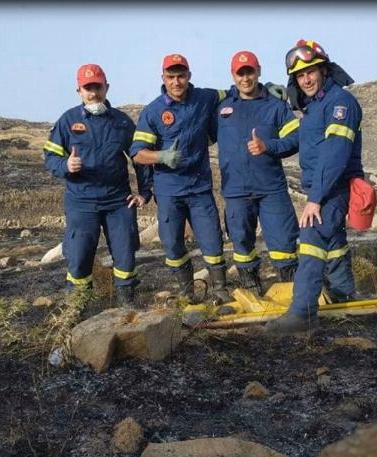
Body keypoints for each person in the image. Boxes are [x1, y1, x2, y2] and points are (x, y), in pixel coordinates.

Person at [266, 39, 363, 333]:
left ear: (323, 70)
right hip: (323, 188)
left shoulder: (340, 103)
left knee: (310, 237)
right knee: (332, 242)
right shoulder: (314, 108)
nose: (306, 79)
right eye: (300, 75)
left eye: (311, 72)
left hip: (334, 187)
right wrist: (266, 146)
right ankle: (343, 294)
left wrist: (315, 199)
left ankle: (303, 312)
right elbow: (299, 141)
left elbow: (335, 153)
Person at [43, 64, 152, 306]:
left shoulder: (122, 122)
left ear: (107, 87)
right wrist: (65, 166)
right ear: (79, 90)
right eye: (87, 88)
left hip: (118, 202)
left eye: (97, 87)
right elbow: (50, 157)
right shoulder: (67, 121)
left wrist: (144, 192)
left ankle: (127, 307)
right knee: (79, 258)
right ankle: (77, 312)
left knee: (125, 257)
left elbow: (140, 160)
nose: (93, 93)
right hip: (81, 203)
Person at [130, 53, 230, 303]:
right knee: (172, 245)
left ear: (189, 76)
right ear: (163, 78)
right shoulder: (152, 111)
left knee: (212, 241)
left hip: (199, 189)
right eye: (171, 77)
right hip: (169, 192)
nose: (176, 82)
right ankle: (187, 294)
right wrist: (161, 156)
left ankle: (220, 291)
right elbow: (137, 154)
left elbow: (235, 91)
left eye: (181, 76)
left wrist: (268, 89)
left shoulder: (205, 97)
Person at [214, 51, 300, 295]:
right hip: (236, 191)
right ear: (233, 75)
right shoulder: (221, 107)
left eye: (249, 71)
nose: (245, 78)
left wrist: (268, 146)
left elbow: (296, 139)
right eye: (240, 73)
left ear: (258, 71)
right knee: (241, 242)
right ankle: (250, 288)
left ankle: (292, 291)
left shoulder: (276, 105)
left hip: (272, 189)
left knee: (284, 242)